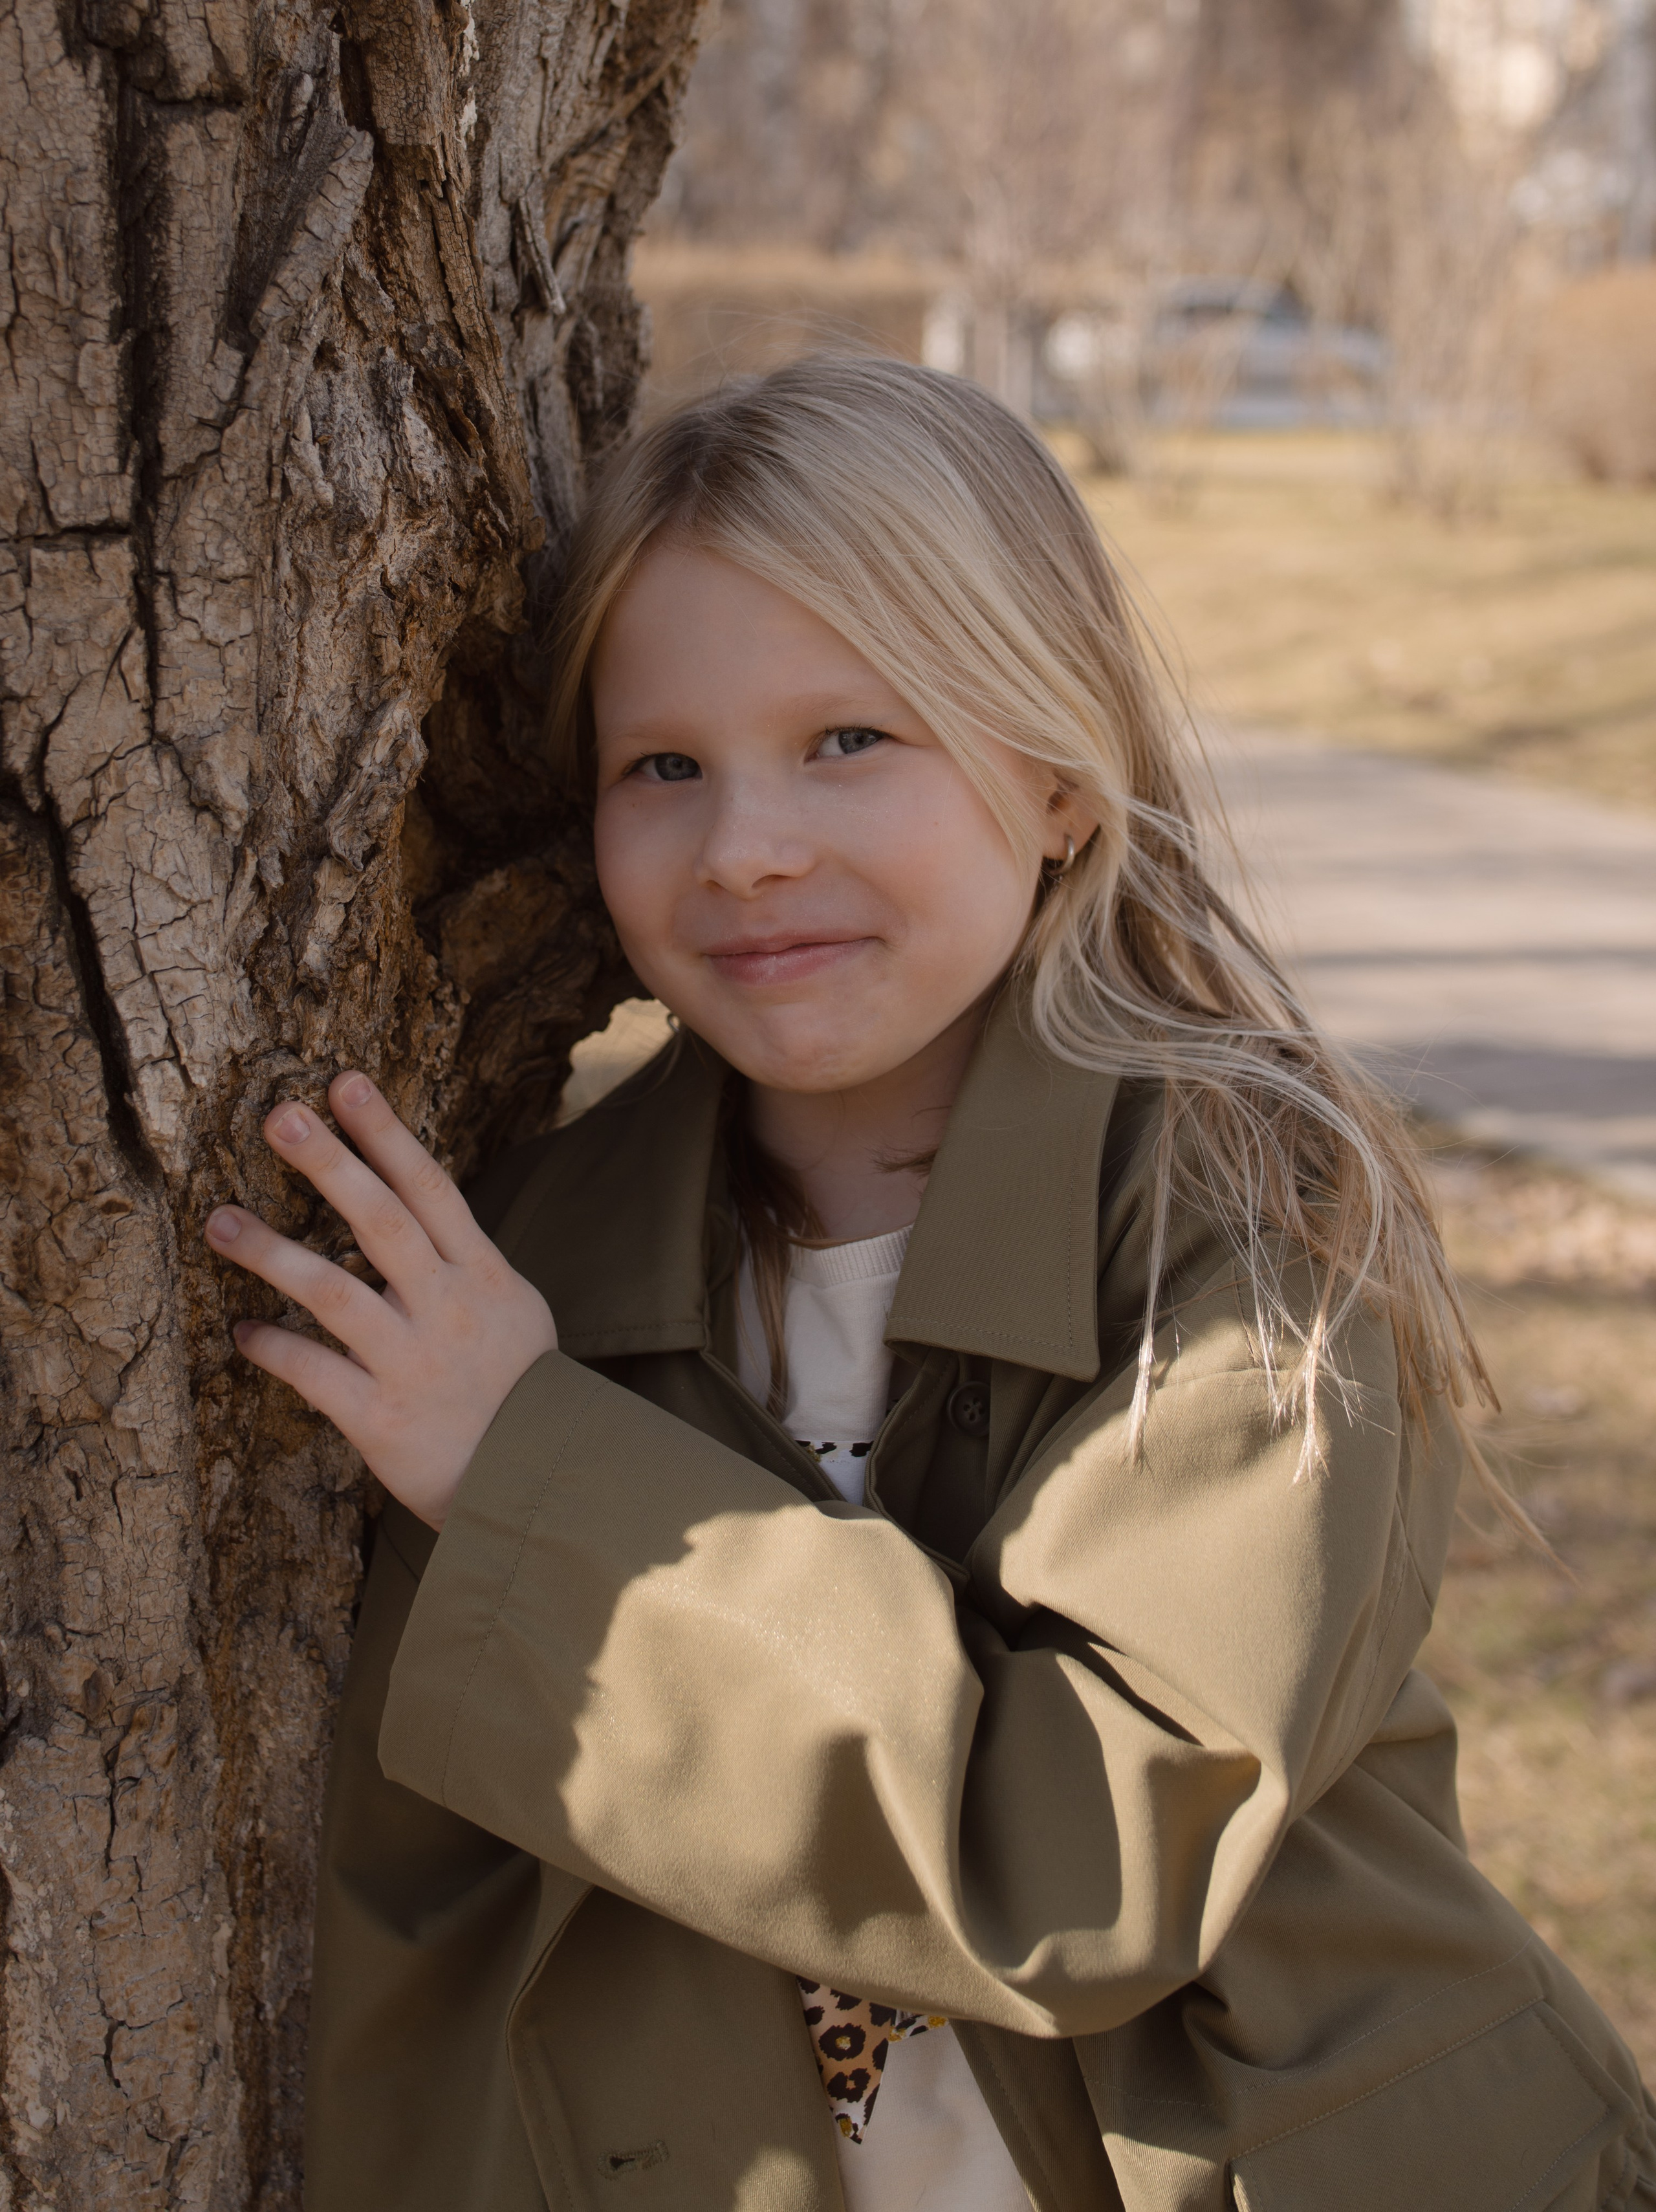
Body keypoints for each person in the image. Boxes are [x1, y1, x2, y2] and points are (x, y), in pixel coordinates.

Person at [206, 355, 1654, 2212]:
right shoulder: (516, 1289)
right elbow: (430, 1958)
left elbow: (1089, 1846)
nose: (749, 847)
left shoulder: (1256, 1236)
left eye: (850, 741)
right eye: (667, 766)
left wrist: (533, 1488)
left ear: (1055, 775)